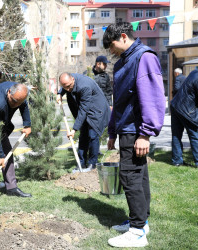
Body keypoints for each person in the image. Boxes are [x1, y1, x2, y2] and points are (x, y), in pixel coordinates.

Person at [103, 22, 165, 248]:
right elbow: (118, 102)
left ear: (122, 36)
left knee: (130, 178)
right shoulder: (125, 61)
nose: (110, 52)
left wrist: (145, 133)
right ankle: (140, 222)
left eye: (111, 46)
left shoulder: (143, 57)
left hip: (136, 131)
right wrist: (112, 131)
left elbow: (152, 96)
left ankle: (137, 232)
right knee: (139, 177)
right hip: (126, 129)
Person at [57, 73, 111, 172]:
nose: (68, 89)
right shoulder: (68, 81)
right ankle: (81, 163)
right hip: (86, 109)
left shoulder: (84, 86)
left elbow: (83, 110)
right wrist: (59, 93)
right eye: (65, 87)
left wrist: (74, 129)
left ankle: (92, 164)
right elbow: (65, 86)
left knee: (92, 136)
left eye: (69, 86)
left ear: (73, 79)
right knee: (83, 136)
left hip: (97, 110)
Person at [170, 69, 198, 167]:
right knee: (195, 134)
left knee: (176, 135)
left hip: (175, 105)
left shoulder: (193, 73)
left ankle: (177, 161)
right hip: (186, 109)